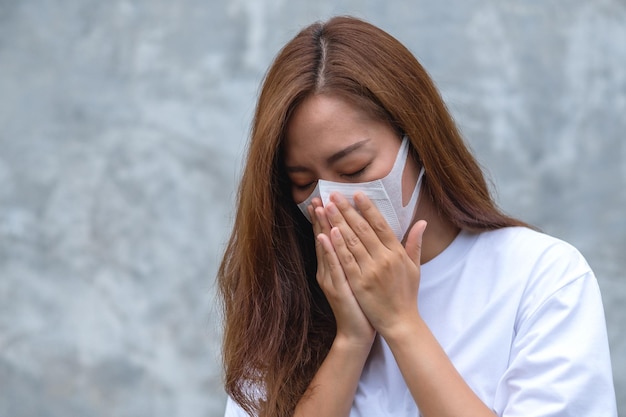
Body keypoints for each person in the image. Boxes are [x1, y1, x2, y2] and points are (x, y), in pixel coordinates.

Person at [217, 16, 617, 417]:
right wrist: (351, 342)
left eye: (354, 169)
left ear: (418, 140)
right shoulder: (282, 301)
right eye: (303, 183)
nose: (330, 201)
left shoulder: (540, 277)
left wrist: (401, 322)